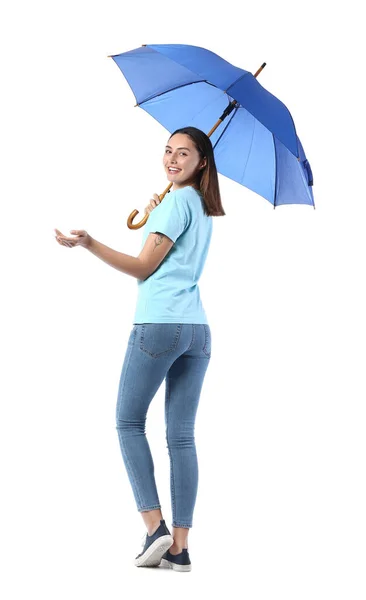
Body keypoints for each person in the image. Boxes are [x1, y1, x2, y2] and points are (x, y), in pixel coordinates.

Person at [54, 126, 225, 572]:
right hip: (197, 331)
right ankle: (180, 548)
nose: (172, 160)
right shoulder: (202, 206)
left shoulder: (176, 203)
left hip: (160, 324)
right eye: (168, 151)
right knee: (181, 436)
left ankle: (155, 527)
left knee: (128, 422)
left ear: (201, 162)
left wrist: (89, 244)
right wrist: (153, 216)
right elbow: (168, 255)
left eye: (184, 154)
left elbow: (145, 267)